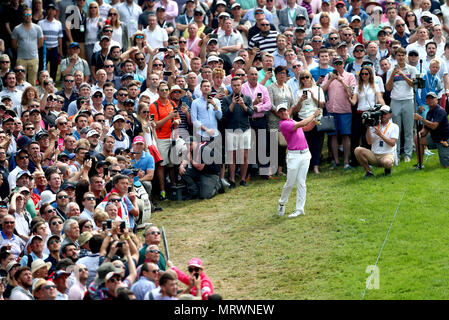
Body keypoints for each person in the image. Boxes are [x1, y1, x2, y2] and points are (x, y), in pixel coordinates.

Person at [277, 103, 321, 218]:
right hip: (294, 156)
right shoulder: (283, 124)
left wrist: (316, 119)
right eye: (281, 112)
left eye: (284, 111)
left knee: (302, 182)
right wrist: (313, 114)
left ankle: (300, 209)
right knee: (290, 183)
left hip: (305, 154)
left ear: (287, 111)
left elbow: (306, 127)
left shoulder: (292, 121)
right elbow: (302, 123)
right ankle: (282, 203)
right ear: (278, 115)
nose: (283, 113)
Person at [321, 57, 357, 170]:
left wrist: (341, 80)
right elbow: (322, 89)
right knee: (333, 136)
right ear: (333, 65)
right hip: (331, 110)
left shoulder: (350, 76)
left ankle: (346, 161)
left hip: (345, 110)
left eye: (340, 63)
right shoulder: (328, 75)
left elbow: (352, 91)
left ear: (343, 64)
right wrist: (331, 79)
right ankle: (335, 161)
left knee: (346, 135)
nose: (338, 66)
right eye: (335, 64)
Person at [386, 47, 417, 163]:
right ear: (395, 57)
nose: (401, 57)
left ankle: (408, 154)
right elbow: (388, 88)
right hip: (395, 101)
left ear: (406, 56)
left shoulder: (412, 69)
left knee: (408, 129)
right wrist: (393, 75)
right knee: (396, 130)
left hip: (408, 100)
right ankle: (396, 154)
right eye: (399, 55)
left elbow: (413, 85)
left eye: (403, 55)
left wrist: (403, 75)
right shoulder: (390, 70)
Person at [354, 105, 399, 177]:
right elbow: (369, 142)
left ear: (390, 115)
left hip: (387, 155)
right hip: (374, 155)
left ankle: (387, 170)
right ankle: (368, 172)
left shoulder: (394, 126)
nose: (383, 115)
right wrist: (368, 127)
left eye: (385, 113)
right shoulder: (374, 124)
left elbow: (392, 143)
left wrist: (381, 135)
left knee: (387, 162)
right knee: (358, 150)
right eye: (381, 113)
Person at [414, 92, 449, 168]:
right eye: (428, 99)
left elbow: (434, 126)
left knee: (445, 165)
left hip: (444, 140)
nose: (430, 101)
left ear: (437, 100)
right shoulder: (429, 113)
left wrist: (421, 118)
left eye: (432, 99)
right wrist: (420, 133)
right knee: (417, 139)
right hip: (434, 139)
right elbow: (426, 129)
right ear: (426, 102)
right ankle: (419, 164)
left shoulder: (440, 111)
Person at [11, 8, 43, 86]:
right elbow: (14, 44)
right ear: (23, 16)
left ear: (31, 16)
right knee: (20, 81)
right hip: (21, 59)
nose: (28, 16)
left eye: (29, 15)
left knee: (32, 81)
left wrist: (32, 49)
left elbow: (41, 43)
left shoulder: (37, 28)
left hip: (34, 58)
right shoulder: (17, 29)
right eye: (26, 15)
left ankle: (32, 97)